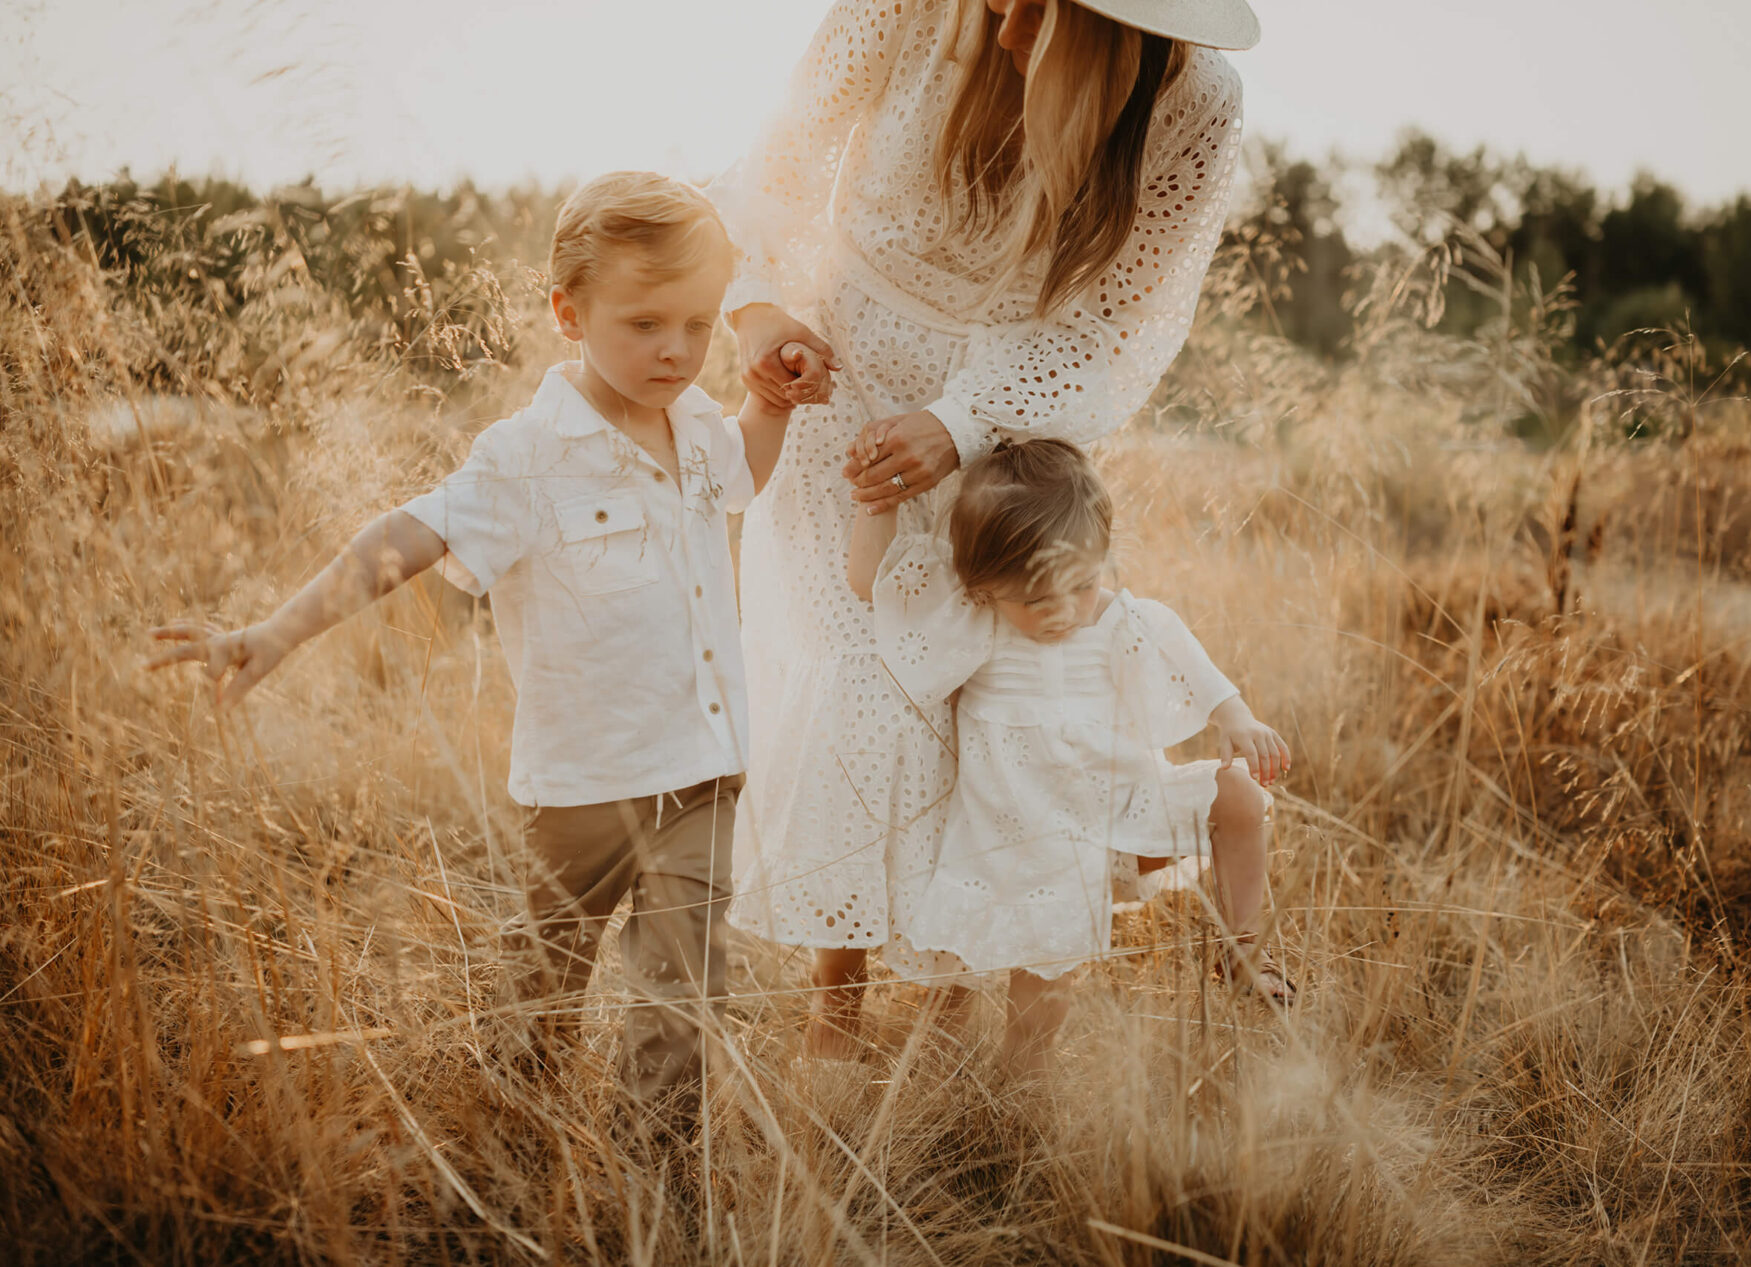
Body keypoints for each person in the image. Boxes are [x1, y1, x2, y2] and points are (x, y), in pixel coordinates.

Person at [145, 171, 830, 1105]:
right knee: (538, 994)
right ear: (567, 312)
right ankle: (514, 1129)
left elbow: (743, 471)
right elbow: (403, 539)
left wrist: (773, 406)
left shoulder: (698, 423)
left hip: (702, 773)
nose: (677, 350)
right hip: (581, 789)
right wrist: (275, 630)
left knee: (682, 1009)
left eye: (698, 325)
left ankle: (659, 1184)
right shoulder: (526, 458)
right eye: (644, 324)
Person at [713, 0, 1262, 1055]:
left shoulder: (1194, 102)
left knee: (982, 706)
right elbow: (773, 168)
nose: (1005, 25)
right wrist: (763, 313)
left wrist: (963, 423)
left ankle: (957, 1004)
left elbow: (1119, 324)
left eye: (1039, 12)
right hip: (841, 387)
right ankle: (836, 1012)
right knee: (858, 681)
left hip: (1010, 434)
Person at [846, 437, 1291, 1074]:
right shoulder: (975, 622)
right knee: (1041, 1002)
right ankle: (1013, 1093)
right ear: (983, 588)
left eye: (1079, 586)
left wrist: (1237, 718)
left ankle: (1246, 951)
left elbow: (1190, 661)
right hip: (1034, 843)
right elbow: (875, 583)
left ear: (1102, 560)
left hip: (1126, 812)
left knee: (1240, 796)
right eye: (1034, 600)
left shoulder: (1124, 620)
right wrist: (877, 498)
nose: (1060, 612)